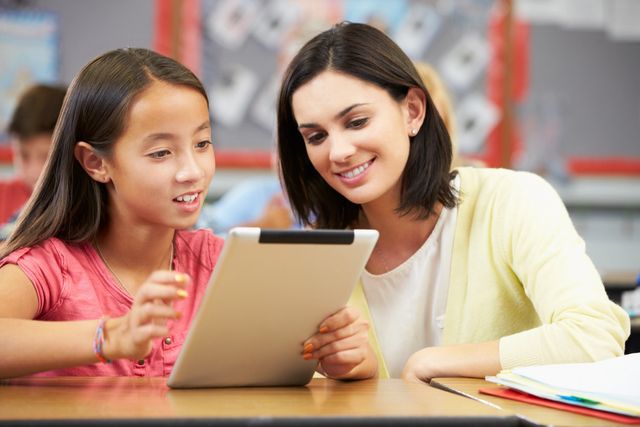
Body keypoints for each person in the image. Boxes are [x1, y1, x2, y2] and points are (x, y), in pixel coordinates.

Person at [276, 22, 630, 382]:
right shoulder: (320, 255)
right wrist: (358, 374)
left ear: (413, 111)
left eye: (357, 121)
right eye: (316, 136)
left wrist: (434, 362)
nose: (338, 152)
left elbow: (595, 338)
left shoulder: (511, 201)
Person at [0, 47, 376, 380]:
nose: (193, 171)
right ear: (96, 162)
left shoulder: (220, 262)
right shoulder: (51, 265)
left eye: (202, 143)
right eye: (161, 152)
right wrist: (112, 336)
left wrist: (349, 359)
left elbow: (312, 355)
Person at [0, 84, 66, 228]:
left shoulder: (82, 210)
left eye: (46, 157)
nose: (34, 172)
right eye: (23, 155)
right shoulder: (3, 195)